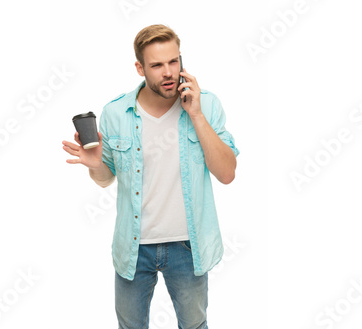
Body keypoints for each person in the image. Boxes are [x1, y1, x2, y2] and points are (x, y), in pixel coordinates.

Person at [62, 24, 239, 329]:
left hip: (188, 245)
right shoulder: (116, 113)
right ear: (140, 68)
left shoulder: (206, 104)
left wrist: (196, 114)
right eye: (157, 65)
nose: (169, 72)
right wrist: (95, 164)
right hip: (134, 247)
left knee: (195, 325)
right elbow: (105, 179)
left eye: (174, 61)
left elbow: (226, 173)